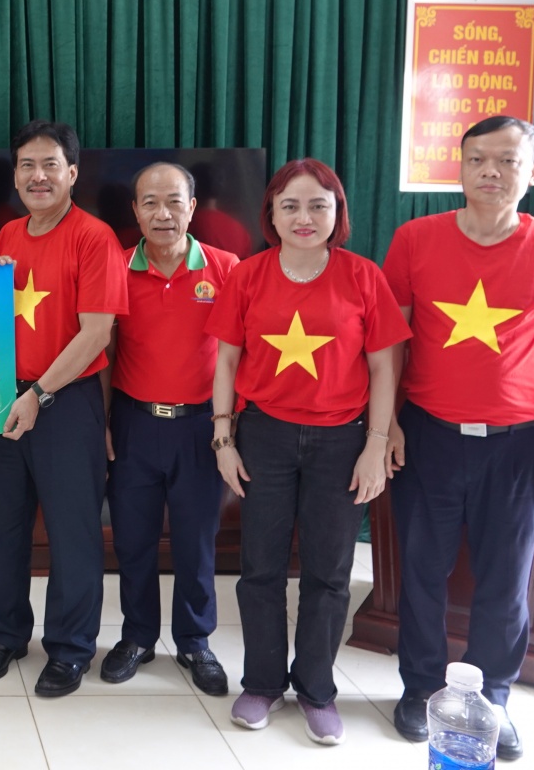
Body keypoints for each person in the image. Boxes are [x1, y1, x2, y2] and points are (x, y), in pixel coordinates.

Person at [384, 116, 534, 762]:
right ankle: (421, 688)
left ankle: (492, 699)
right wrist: (386, 422)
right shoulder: (415, 239)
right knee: (422, 570)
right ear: (460, 168)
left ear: (532, 173)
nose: (490, 172)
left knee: (506, 580)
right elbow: (390, 341)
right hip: (429, 434)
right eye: (477, 159)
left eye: (507, 160)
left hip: (518, 443)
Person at [206, 158, 408, 745]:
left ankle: (317, 690)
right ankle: (263, 684)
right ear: (270, 213)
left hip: (343, 441)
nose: (304, 217)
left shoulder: (363, 276)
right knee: (260, 569)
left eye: (318, 205)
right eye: (290, 205)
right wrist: (223, 439)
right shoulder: (247, 275)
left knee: (329, 572)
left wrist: (375, 444)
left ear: (336, 212)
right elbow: (225, 361)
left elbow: (383, 367)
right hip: (263, 437)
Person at [0, 120, 128, 698]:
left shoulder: (94, 237)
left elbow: (97, 334)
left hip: (63, 402)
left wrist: (38, 395)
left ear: (73, 173)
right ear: (15, 176)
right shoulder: (8, 234)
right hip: (1, 398)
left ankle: (70, 648)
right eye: (27, 166)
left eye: (50, 165)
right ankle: (5, 635)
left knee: (73, 532)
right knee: (1, 527)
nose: (38, 176)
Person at [102, 162, 239, 694]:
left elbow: (238, 355)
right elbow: (104, 352)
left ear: (192, 206)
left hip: (200, 427)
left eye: (174, 201)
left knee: (195, 543)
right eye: (150, 203)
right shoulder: (116, 267)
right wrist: (104, 423)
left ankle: (194, 640)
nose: (163, 213)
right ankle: (137, 636)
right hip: (134, 423)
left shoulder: (225, 268)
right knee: (132, 540)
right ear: (135, 211)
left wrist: (227, 431)